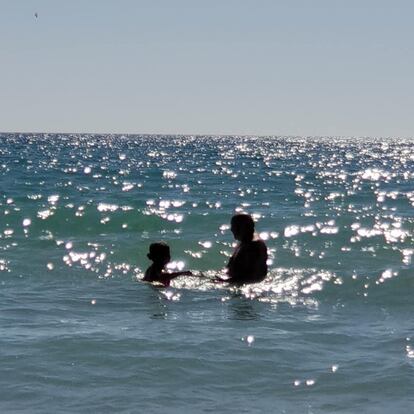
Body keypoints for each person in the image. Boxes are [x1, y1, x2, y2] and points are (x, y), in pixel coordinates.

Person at [218, 213, 268, 285]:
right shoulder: (245, 241)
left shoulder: (254, 245)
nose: (232, 229)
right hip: (234, 280)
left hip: (247, 287)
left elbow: (255, 275)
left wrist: (225, 281)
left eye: (236, 227)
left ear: (246, 228)